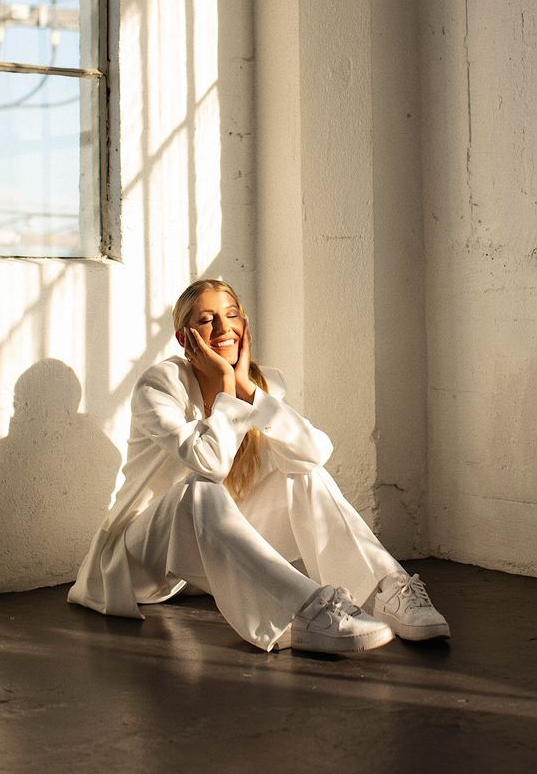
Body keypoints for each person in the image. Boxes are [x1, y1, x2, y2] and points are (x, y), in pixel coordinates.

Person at [68, 279, 450, 653]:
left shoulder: (263, 382)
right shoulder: (159, 385)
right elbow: (211, 465)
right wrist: (224, 386)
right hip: (141, 566)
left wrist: (250, 391)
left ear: (244, 325)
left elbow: (315, 452)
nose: (222, 328)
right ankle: (306, 611)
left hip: (206, 568)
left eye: (231, 315)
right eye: (206, 320)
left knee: (302, 472)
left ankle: (389, 588)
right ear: (185, 338)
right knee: (199, 490)